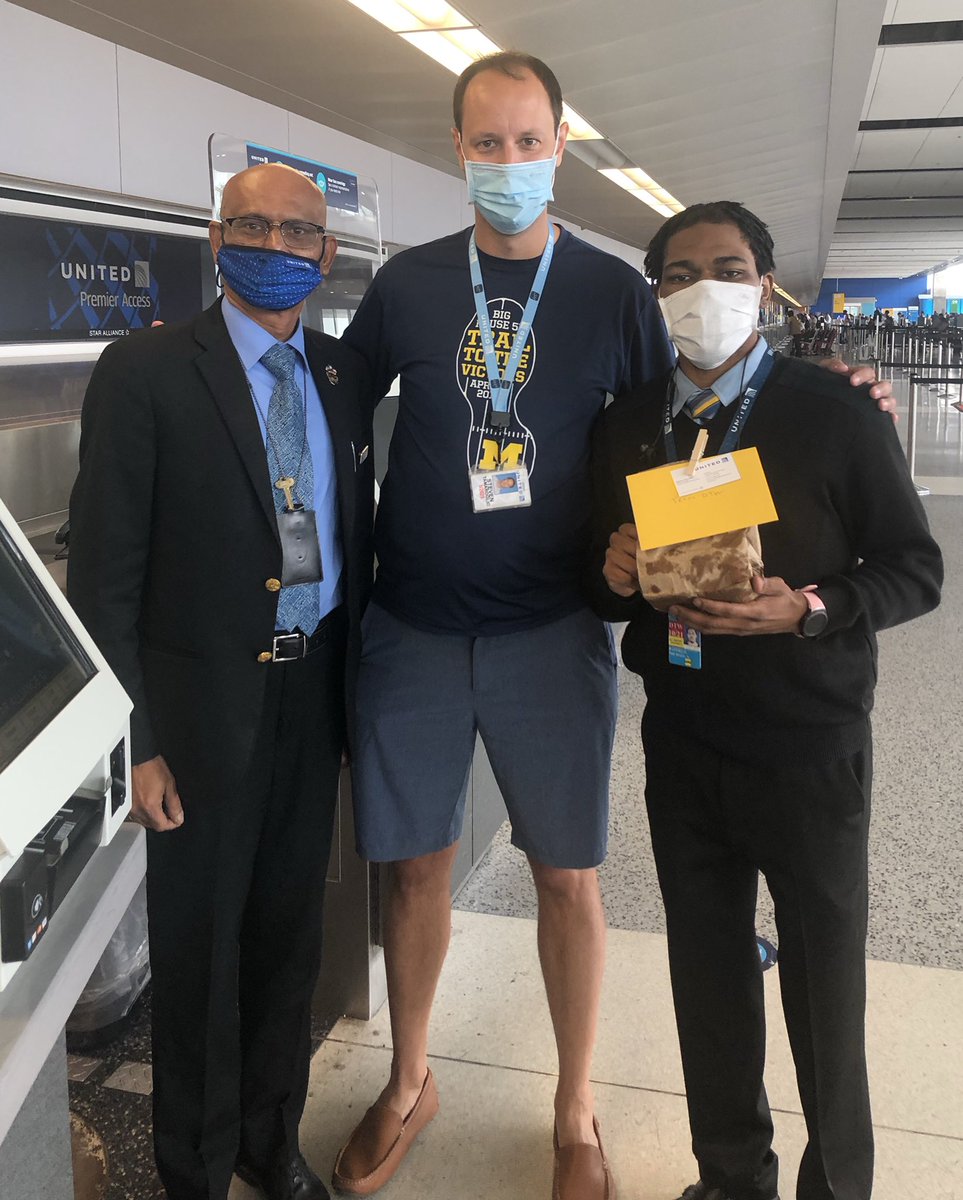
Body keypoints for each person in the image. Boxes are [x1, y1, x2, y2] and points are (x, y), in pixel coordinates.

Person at [331, 52, 895, 1200]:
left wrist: (841, 398)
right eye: (486, 143)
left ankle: (576, 1107)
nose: (507, 161)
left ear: (560, 147)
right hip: (414, 627)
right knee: (416, 870)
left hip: (554, 632)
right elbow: (329, 402)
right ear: (458, 150)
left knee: (567, 877)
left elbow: (691, 413)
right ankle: (409, 1078)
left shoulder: (613, 295)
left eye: (527, 141)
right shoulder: (407, 285)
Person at [590, 201, 943, 1200]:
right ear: (656, 293)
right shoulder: (628, 424)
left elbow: (914, 569)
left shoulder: (834, 410)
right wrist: (609, 572)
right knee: (707, 976)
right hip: (684, 740)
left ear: (766, 288)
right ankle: (730, 1177)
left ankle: (835, 1187)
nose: (704, 289)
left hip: (808, 745)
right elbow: (597, 581)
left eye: (729, 269)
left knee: (825, 985)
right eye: (680, 273)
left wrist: (812, 608)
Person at [68, 163, 374, 1200]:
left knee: (289, 940)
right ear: (216, 238)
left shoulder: (338, 375)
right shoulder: (146, 371)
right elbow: (104, 578)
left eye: (297, 233)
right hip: (196, 719)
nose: (274, 247)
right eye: (251, 226)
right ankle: (194, 1170)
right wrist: (136, 742)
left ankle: (268, 1143)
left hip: (313, 695)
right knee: (199, 954)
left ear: (327, 254)